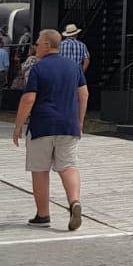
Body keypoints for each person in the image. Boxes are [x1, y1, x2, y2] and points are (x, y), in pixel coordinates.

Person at [13, 30, 87, 230]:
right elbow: (84, 94)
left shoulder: (38, 68)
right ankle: (74, 201)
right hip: (68, 125)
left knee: (40, 170)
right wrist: (79, 121)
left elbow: (29, 98)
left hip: (42, 125)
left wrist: (18, 126)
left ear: (47, 44)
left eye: (38, 43)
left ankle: (43, 214)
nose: (36, 46)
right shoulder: (74, 66)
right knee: (68, 165)